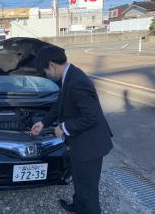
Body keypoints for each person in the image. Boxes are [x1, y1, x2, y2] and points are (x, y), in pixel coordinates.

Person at [31, 45, 113, 214]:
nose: (46, 75)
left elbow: (91, 116)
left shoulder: (77, 82)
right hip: (80, 143)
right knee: (79, 181)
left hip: (89, 146)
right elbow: (60, 104)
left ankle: (87, 209)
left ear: (52, 65)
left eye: (45, 71)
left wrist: (64, 127)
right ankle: (78, 207)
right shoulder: (69, 75)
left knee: (88, 191)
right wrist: (44, 123)